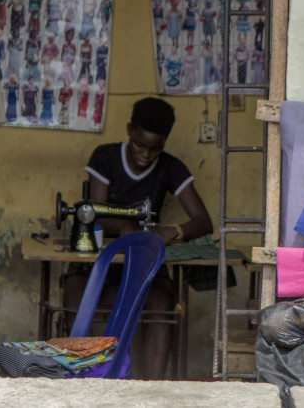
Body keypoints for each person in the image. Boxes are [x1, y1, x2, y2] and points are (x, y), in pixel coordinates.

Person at [62, 97, 213, 380]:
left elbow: (203, 222)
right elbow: (94, 213)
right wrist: (123, 224)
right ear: (129, 129)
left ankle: (150, 389)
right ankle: (90, 380)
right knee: (75, 295)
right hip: (99, 265)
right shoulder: (104, 158)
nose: (145, 155)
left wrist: (171, 231)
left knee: (160, 303)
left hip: (145, 267)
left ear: (165, 142)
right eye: (139, 144)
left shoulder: (170, 167)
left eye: (156, 148)